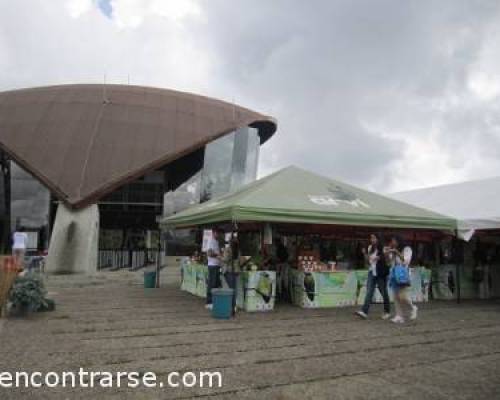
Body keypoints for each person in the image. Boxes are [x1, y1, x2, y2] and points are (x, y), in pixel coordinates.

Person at [355, 234, 390, 320]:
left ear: (378, 239)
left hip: (380, 273)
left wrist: (380, 257)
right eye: (371, 238)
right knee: (369, 291)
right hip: (372, 271)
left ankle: (387, 311)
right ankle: (364, 311)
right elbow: (368, 261)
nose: (372, 239)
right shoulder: (370, 247)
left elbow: (387, 258)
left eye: (374, 238)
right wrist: (364, 254)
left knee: (383, 292)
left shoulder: (384, 248)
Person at [386, 236, 418, 324]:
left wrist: (396, 252)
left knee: (403, 296)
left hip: (402, 275)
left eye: (393, 241)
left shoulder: (407, 249)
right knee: (395, 296)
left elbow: (406, 261)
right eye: (391, 241)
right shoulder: (393, 250)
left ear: (398, 241)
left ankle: (413, 308)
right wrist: (387, 254)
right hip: (393, 275)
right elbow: (389, 263)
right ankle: (399, 316)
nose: (392, 243)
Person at [205, 229, 223, 310]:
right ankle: (209, 302)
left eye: (219, 233)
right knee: (211, 284)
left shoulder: (216, 241)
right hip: (212, 265)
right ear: (213, 232)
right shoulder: (210, 241)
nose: (218, 234)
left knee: (216, 284)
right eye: (217, 233)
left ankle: (214, 301)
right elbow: (209, 253)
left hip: (217, 265)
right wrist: (218, 255)